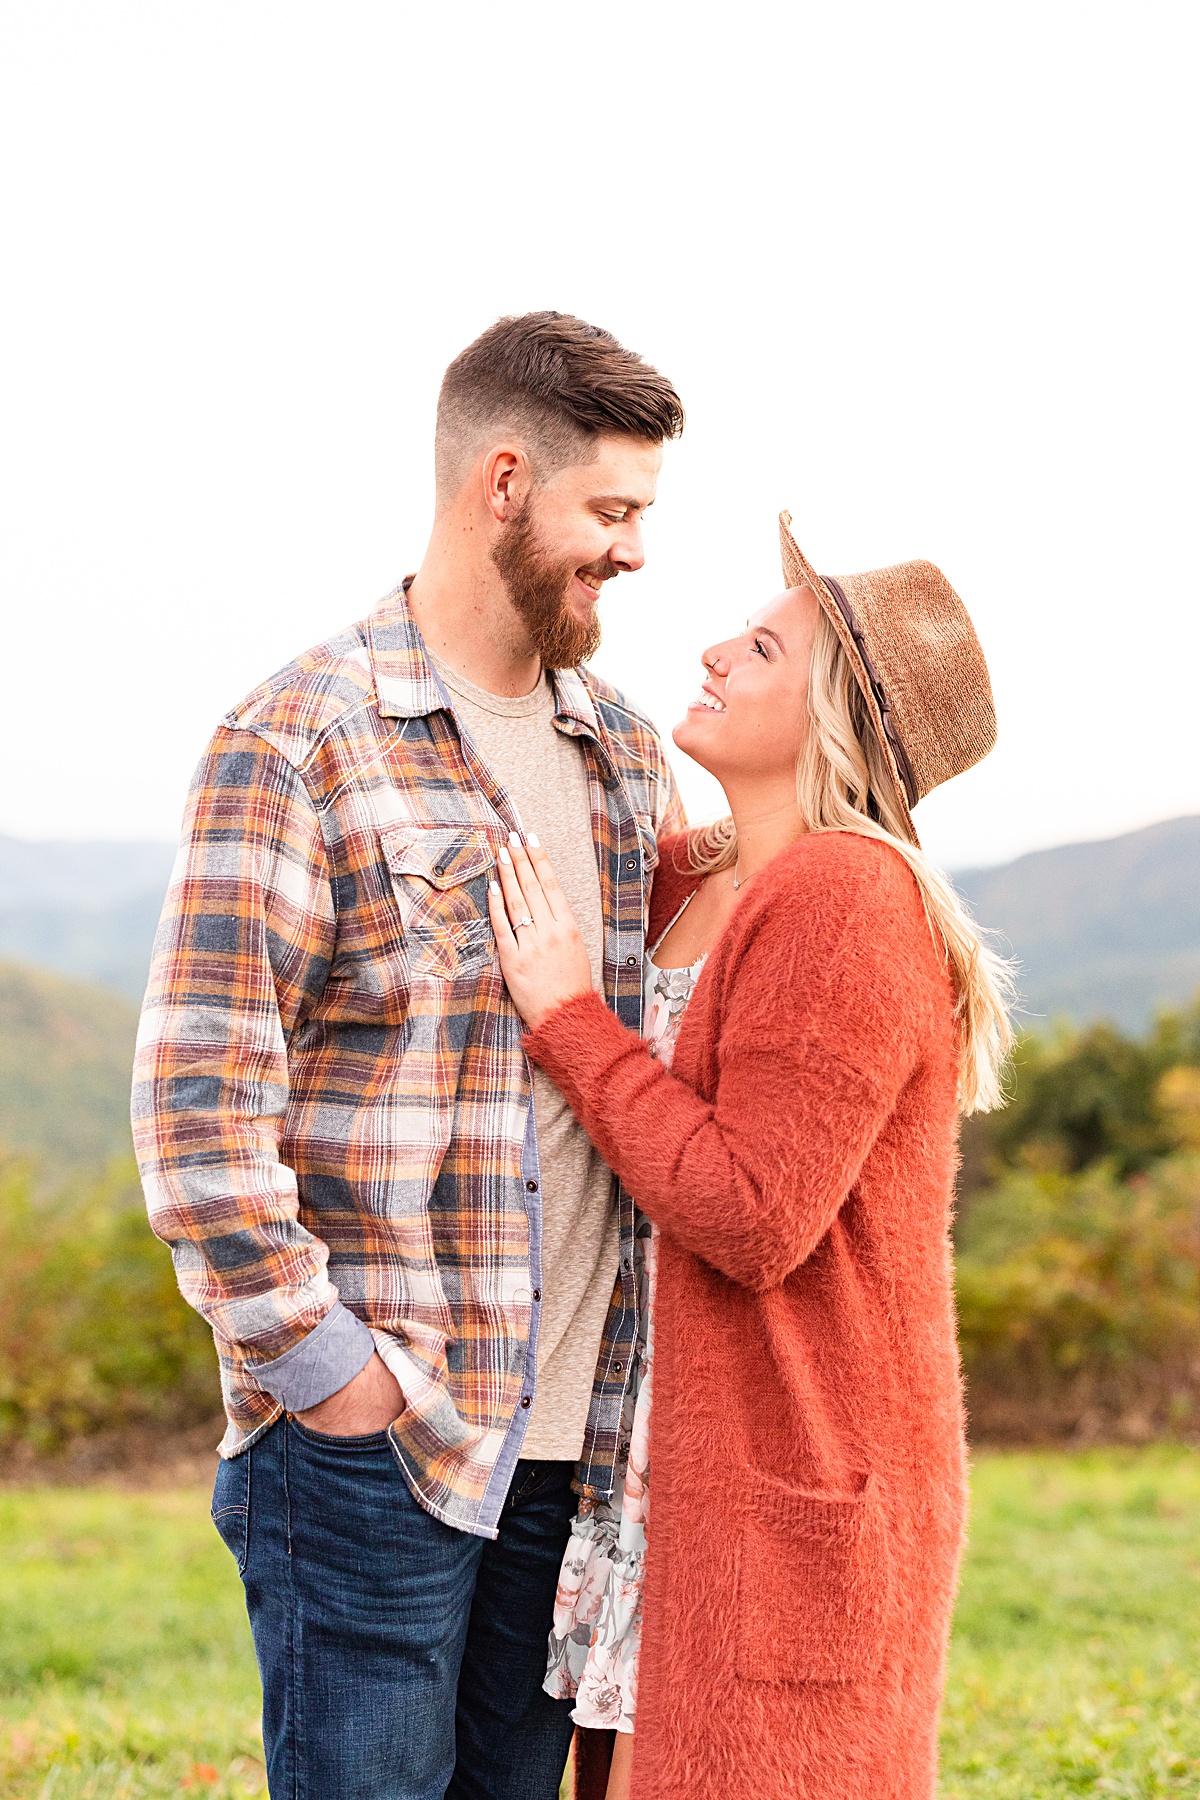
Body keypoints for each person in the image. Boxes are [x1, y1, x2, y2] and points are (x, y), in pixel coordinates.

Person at [132, 312, 685, 1800]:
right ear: (503, 481)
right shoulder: (302, 740)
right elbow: (196, 1108)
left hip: (573, 1447)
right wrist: (330, 1374)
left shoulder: (624, 757)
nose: (635, 552)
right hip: (382, 1442)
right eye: (613, 512)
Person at [488, 514, 1015, 1800]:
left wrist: (568, 1020)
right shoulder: (694, 876)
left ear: (834, 710)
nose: (719, 650)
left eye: (767, 646)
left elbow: (750, 1210)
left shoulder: (849, 893)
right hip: (649, 1454)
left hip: (781, 1468)